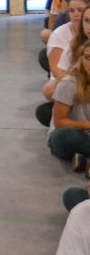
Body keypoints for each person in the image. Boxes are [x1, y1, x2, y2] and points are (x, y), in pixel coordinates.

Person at [48, 41, 90, 186]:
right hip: (74, 134)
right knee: (64, 136)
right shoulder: (69, 83)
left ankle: (84, 161)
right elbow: (60, 122)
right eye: (87, 58)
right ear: (81, 59)